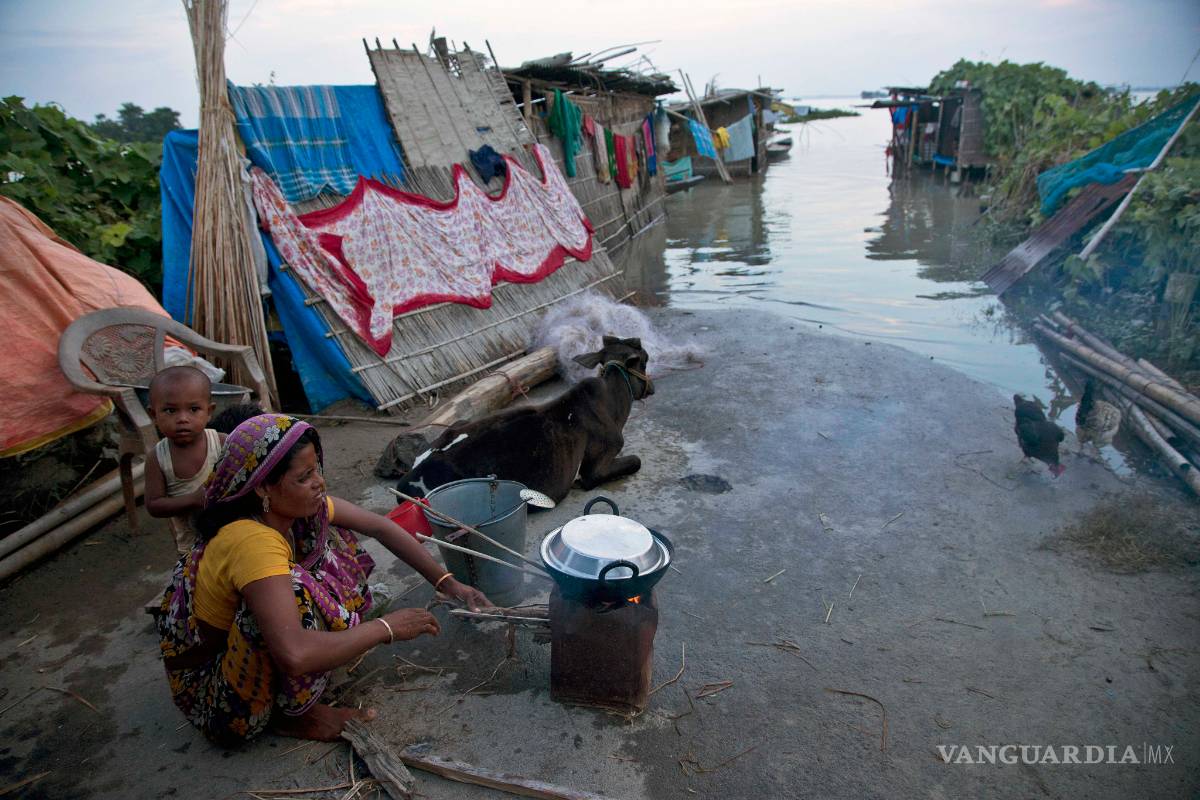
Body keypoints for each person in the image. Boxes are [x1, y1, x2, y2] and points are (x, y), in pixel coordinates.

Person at [157, 413, 489, 744]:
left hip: (241, 652)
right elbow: (294, 654)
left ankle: (329, 650)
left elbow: (380, 526)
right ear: (262, 487)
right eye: (304, 477)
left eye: (316, 469)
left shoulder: (286, 510)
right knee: (298, 590)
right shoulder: (251, 541)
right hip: (216, 697)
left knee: (329, 541)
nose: (319, 483)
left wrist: (448, 583)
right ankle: (296, 716)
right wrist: (385, 628)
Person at [144, 366, 224, 555]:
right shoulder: (158, 458)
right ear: (154, 415)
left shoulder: (222, 443)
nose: (182, 419)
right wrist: (193, 499)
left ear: (209, 411)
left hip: (234, 537)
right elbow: (154, 505)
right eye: (170, 410)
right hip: (193, 549)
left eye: (194, 409)